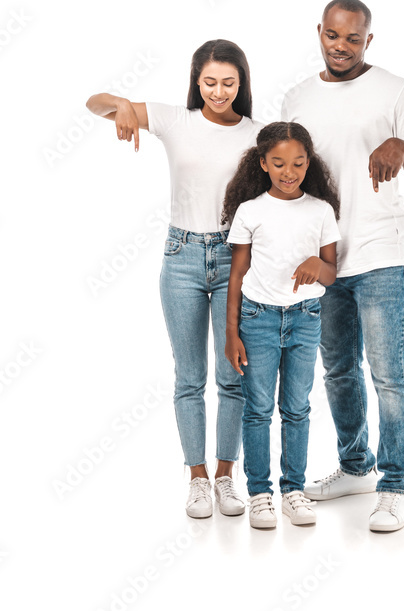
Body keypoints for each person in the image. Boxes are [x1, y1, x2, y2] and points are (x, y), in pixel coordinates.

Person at [281, 0, 404, 532]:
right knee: (339, 369)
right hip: (324, 259)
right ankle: (355, 467)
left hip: (381, 253)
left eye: (353, 38)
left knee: (390, 373)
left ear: (368, 40)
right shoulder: (297, 97)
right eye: (332, 35)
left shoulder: (395, 90)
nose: (341, 46)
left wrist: (401, 146)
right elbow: (286, 176)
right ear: (319, 33)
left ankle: (396, 485)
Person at [85, 40, 261, 519]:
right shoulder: (174, 120)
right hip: (181, 255)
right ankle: (197, 479)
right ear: (195, 82)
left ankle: (227, 477)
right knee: (189, 378)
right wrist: (122, 105)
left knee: (232, 375)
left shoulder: (258, 134)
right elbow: (93, 103)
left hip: (234, 258)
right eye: (209, 82)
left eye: (228, 82)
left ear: (241, 83)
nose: (219, 91)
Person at [222, 122, 341, 529]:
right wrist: (231, 333)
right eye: (278, 163)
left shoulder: (321, 211)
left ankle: (293, 490)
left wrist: (317, 265)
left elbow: (331, 273)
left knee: (297, 408)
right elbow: (236, 275)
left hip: (305, 320)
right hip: (257, 319)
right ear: (263, 164)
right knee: (257, 410)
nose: (289, 172)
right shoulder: (251, 210)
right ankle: (260, 494)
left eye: (298, 163)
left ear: (310, 163)